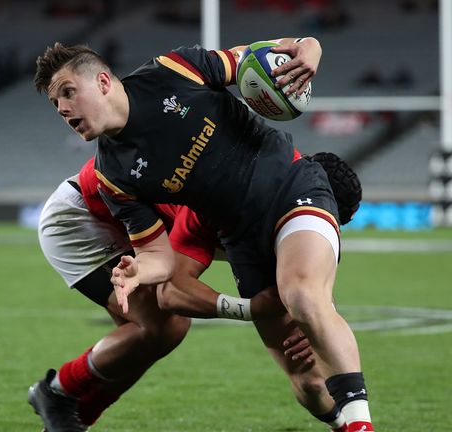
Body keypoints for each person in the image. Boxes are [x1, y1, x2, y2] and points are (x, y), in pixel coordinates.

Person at [34, 38, 375, 431]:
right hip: (87, 220)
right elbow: (160, 260)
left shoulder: (171, 71)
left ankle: (357, 425)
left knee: (300, 296)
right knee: (169, 331)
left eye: (68, 93)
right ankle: (61, 398)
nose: (62, 108)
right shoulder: (113, 176)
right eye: (56, 104)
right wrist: (140, 271)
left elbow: (268, 51)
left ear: (105, 82)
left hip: (288, 190)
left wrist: (310, 48)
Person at [29, 157, 327, 431]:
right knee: (163, 326)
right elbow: (173, 292)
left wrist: (308, 321)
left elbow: (296, 277)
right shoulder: (238, 202)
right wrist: (256, 310)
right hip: (81, 216)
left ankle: (69, 414)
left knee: (152, 338)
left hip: (121, 216)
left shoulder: (269, 196)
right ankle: (57, 391)